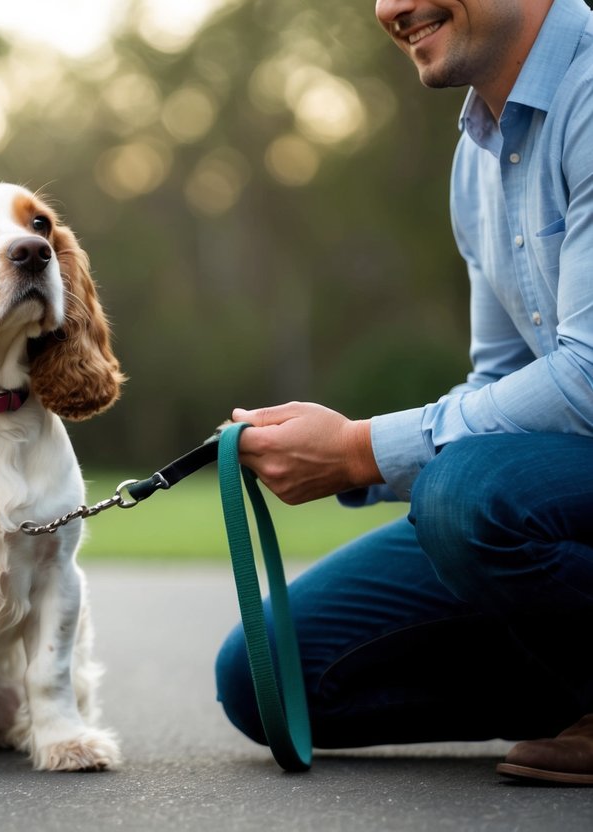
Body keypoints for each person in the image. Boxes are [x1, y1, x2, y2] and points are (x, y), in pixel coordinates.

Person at [215, 0, 593, 785]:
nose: (391, 8)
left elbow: (588, 378)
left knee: (467, 494)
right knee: (267, 680)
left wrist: (357, 451)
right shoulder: (478, 151)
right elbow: (500, 382)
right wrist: (351, 453)